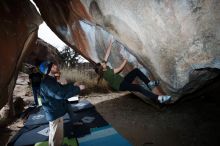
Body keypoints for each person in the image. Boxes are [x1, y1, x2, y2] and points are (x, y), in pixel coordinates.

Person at [94, 38, 171, 104]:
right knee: (139, 88)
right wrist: (126, 59)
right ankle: (158, 98)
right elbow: (120, 68)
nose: (103, 62)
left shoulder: (103, 69)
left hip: (123, 81)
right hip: (121, 86)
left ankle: (149, 84)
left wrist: (110, 43)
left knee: (136, 71)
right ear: (102, 68)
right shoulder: (108, 73)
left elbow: (106, 55)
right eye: (101, 63)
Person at [39, 61, 85, 146]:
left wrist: (73, 85)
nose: (55, 66)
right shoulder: (48, 83)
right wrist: (78, 89)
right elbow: (61, 94)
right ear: (48, 70)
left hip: (56, 110)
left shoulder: (51, 80)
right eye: (52, 66)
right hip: (54, 112)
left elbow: (62, 88)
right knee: (56, 136)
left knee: (56, 135)